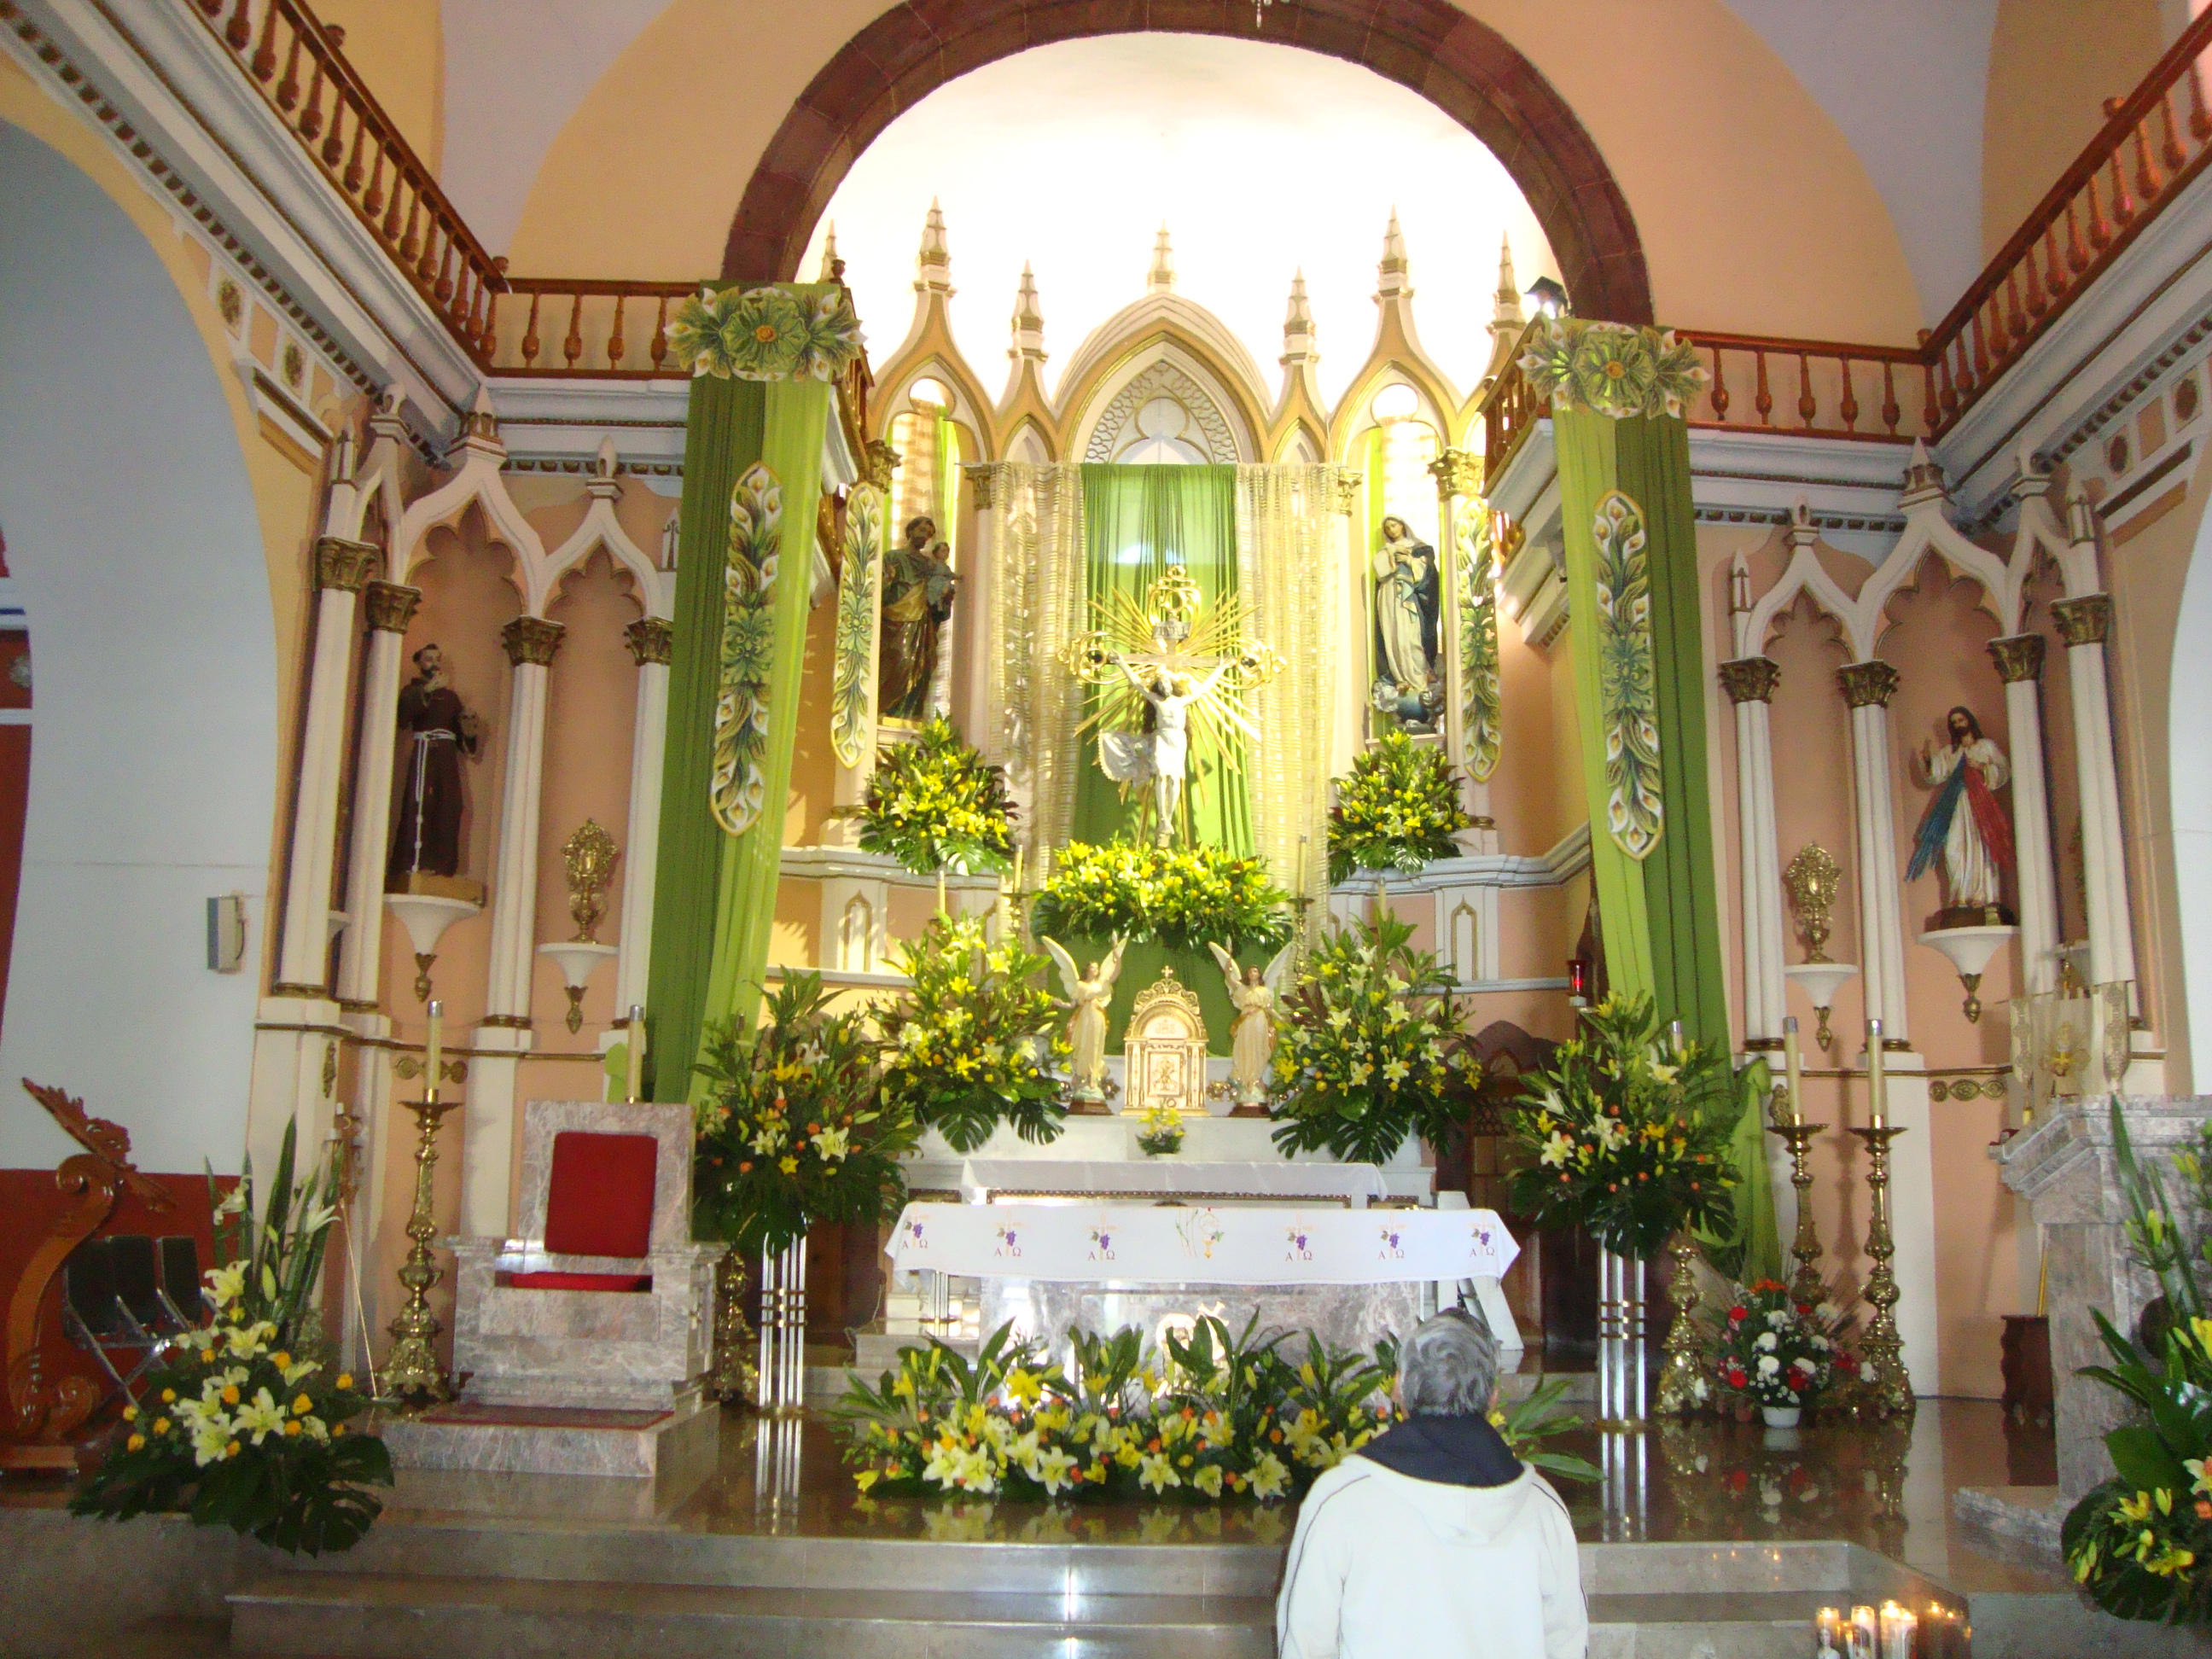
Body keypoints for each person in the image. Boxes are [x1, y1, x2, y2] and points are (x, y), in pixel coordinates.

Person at [1277, 1309, 1586, 1659]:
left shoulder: (1340, 1501)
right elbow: (1569, 1646)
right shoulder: (1542, 1508)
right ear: (1493, 1397)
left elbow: (1305, 1646)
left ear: (1399, 1388)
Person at [387, 643, 481, 884]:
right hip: (425, 753)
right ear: (419, 663)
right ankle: (414, 865)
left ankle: (444, 868)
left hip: (447, 756)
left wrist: (469, 730)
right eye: (428, 659)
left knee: (451, 804)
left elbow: (463, 738)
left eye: (437, 659)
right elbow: (402, 717)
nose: (434, 664)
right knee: (421, 803)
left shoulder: (451, 698)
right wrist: (427, 691)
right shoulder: (413, 690)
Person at [1907, 704, 2012, 916]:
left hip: (1980, 801)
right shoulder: (1951, 752)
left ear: (1970, 721)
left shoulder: (1986, 747)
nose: (1958, 725)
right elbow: (1936, 775)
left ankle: (1982, 896)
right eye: (1954, 722)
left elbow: (2003, 771)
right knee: (1953, 848)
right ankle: (1960, 895)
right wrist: (1928, 760)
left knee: (1980, 846)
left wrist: (1982, 768)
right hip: (1956, 802)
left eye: (1961, 720)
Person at [879, 515, 957, 720]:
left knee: (923, 668)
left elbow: (937, 602)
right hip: (896, 621)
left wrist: (946, 596)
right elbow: (878, 593)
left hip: (923, 624)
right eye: (921, 530)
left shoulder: (929, 565)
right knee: (901, 660)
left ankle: (910, 715)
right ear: (910, 531)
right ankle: (889, 711)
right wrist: (887, 581)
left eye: (929, 534)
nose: (925, 536)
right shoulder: (893, 557)